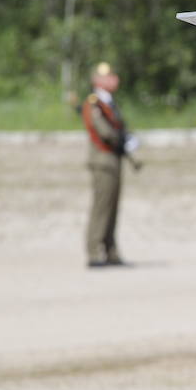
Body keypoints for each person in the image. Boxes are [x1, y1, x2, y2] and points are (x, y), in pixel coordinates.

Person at [81, 61, 138, 268]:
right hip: (102, 160)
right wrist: (121, 139)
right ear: (97, 80)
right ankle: (94, 250)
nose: (114, 80)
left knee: (113, 208)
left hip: (114, 160)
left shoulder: (109, 102)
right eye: (108, 76)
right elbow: (104, 131)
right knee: (101, 207)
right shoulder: (94, 102)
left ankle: (110, 249)